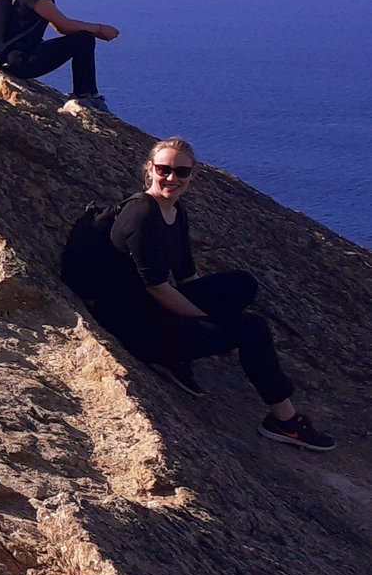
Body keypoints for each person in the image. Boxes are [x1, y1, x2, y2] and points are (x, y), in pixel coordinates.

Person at [98, 137, 334, 451]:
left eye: (182, 172)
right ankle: (285, 421)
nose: (172, 178)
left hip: (150, 310)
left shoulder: (174, 211)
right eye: (164, 169)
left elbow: (186, 276)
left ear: (191, 177)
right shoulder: (141, 215)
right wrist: (213, 325)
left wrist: (213, 325)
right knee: (251, 329)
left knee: (242, 284)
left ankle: (179, 355)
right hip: (133, 326)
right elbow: (157, 287)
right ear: (150, 170)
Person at [2, 0, 118, 111]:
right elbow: (65, 25)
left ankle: (90, 94)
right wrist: (99, 28)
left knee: (84, 39)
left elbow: (61, 28)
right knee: (84, 39)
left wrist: (95, 32)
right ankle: (83, 96)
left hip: (21, 57)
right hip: (21, 61)